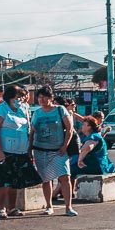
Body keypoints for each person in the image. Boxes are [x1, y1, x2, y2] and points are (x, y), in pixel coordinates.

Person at [0, 84, 41, 219]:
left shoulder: (23, 109)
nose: (21, 99)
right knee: (2, 181)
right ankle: (0, 208)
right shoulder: (0, 109)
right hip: (3, 151)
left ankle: (12, 207)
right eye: (18, 97)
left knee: (15, 181)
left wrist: (28, 149)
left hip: (20, 151)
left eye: (22, 97)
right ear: (10, 97)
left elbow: (27, 129)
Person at [29, 85, 77, 217]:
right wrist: (29, 149)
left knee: (65, 177)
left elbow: (70, 129)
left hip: (58, 150)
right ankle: (49, 206)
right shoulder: (37, 113)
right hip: (40, 149)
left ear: (51, 98)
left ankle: (68, 207)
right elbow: (32, 132)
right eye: (39, 97)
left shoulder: (60, 110)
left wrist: (64, 146)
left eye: (45, 97)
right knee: (46, 179)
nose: (42, 100)